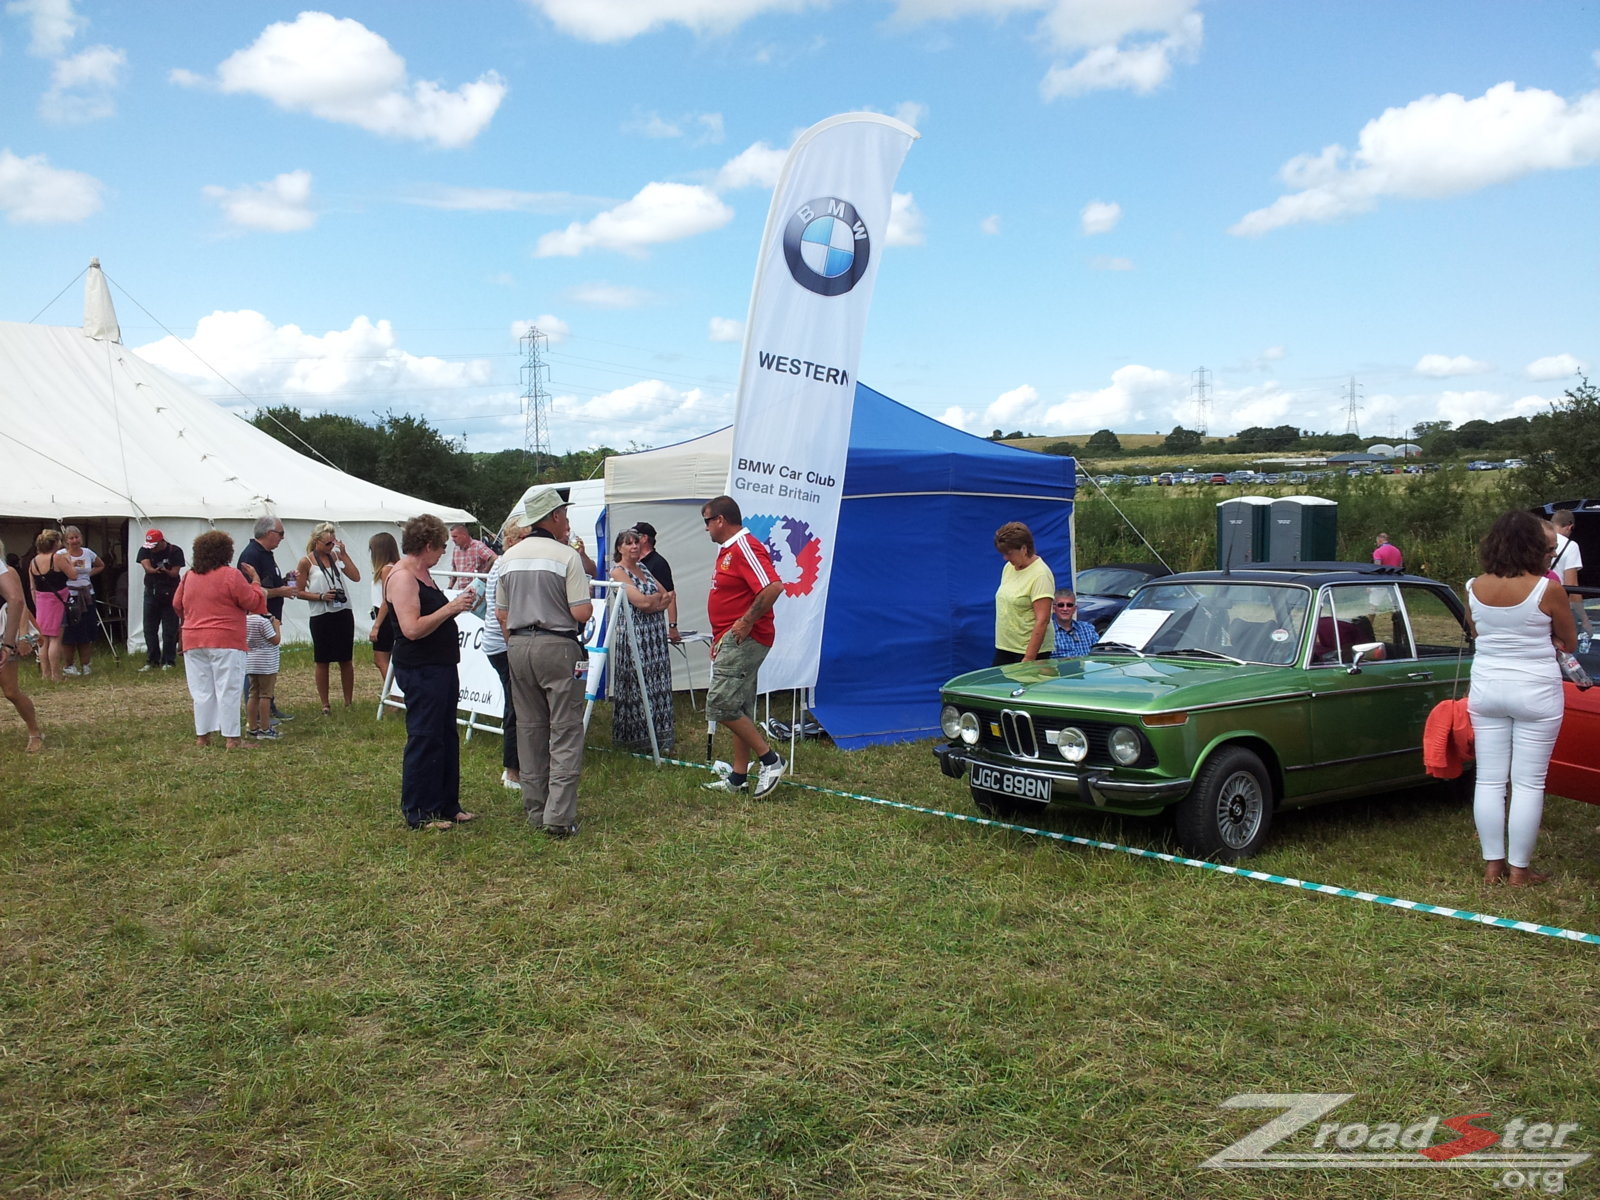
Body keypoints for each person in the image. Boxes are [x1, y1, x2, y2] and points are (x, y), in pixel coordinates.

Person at [1465, 510, 1576, 887]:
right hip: (1535, 690)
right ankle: (1520, 871)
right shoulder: (1549, 589)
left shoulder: (1473, 586)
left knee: (1490, 781)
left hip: (1486, 688)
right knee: (1528, 783)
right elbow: (1570, 641)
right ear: (1534, 546)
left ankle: (1492, 866)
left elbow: (1476, 632)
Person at [495, 487, 593, 836]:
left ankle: (535, 809)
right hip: (559, 645)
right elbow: (581, 610)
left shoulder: (509, 557)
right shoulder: (566, 556)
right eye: (564, 514)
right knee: (565, 730)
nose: (567, 520)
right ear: (553, 517)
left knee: (530, 729)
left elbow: (501, 612)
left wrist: (517, 642)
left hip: (519, 645)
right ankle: (559, 816)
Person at [388, 514, 478, 830]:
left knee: (444, 735)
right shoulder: (402, 577)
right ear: (427, 545)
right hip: (420, 668)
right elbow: (411, 628)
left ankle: (446, 804)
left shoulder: (422, 573)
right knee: (425, 736)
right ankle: (418, 811)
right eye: (441, 547)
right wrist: (451, 608)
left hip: (439, 666)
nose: (443, 553)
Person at [700, 495, 785, 797]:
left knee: (720, 704)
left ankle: (771, 760)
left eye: (707, 521)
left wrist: (746, 621)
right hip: (732, 638)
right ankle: (739, 777)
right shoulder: (729, 550)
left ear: (720, 520)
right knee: (739, 707)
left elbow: (773, 586)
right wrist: (721, 636)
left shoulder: (744, 546)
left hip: (746, 637)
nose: (706, 528)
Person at [172, 530, 268, 750]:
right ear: (226, 552)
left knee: (201, 690)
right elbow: (252, 602)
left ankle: (202, 737)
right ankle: (232, 739)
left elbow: (178, 605)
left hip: (193, 639)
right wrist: (255, 582)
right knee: (228, 689)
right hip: (226, 639)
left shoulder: (189, 576)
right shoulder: (230, 575)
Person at [609, 527, 675, 753]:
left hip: (655, 636)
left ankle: (660, 736)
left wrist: (652, 602)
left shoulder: (644, 568)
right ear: (620, 548)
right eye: (628, 543)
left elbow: (667, 595)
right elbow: (642, 603)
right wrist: (652, 603)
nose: (634, 546)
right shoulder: (617, 572)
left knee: (658, 682)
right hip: (634, 636)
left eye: (636, 542)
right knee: (638, 684)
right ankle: (636, 739)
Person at [238, 516, 301, 722]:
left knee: (268, 666)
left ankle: (268, 706)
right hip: (258, 619)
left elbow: (268, 584)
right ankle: (256, 713)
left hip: (270, 616)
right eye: (280, 534)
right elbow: (251, 591)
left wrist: (284, 582)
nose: (282, 538)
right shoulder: (251, 555)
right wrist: (279, 591)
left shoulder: (266, 554)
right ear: (268, 533)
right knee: (257, 667)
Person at [296, 522, 362, 714]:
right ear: (316, 542)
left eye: (332, 543)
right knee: (322, 659)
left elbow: (356, 577)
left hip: (342, 612)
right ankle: (325, 704)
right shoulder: (305, 562)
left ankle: (348, 702)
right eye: (327, 544)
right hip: (321, 614)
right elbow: (298, 591)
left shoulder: (335, 557)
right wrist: (321, 597)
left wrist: (343, 554)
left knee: (345, 659)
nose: (330, 547)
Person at [481, 518, 526, 791]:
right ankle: (512, 771)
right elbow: (502, 614)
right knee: (515, 707)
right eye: (522, 539)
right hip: (503, 645)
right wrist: (515, 647)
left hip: (502, 643)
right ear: (510, 541)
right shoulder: (506, 565)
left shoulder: (506, 563)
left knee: (518, 705)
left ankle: (517, 766)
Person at [0, 539, 44, 752]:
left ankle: (34, 731)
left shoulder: (7, 572)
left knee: (10, 691)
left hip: (3, 631)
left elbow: (20, 603)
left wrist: (24, 636)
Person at [992, 521, 1055, 665]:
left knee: (1025, 686)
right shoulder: (1009, 568)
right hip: (1005, 647)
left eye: (1009, 553)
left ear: (1024, 549)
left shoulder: (1041, 575)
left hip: (1029, 650)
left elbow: (1042, 620)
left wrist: (1029, 658)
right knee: (997, 685)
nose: (1005, 558)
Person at [26, 529, 78, 683]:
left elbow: (32, 586)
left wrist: (36, 603)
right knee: (55, 639)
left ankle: (45, 674)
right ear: (55, 543)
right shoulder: (57, 558)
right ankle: (56, 675)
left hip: (41, 601)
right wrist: (69, 561)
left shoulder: (33, 561)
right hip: (58, 601)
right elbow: (73, 575)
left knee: (44, 640)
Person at [136, 528, 184, 672]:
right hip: (151, 592)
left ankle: (169, 660)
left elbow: (175, 572)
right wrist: (152, 570)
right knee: (149, 628)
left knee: (169, 630)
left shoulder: (175, 551)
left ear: (162, 541)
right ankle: (152, 660)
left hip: (170, 593)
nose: (154, 549)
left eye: (155, 546)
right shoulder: (145, 550)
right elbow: (145, 565)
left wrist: (166, 571)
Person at [60, 525, 104, 676]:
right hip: (69, 595)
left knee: (86, 631)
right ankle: (69, 665)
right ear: (66, 541)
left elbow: (101, 565)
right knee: (70, 632)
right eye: (71, 538)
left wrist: (89, 574)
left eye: (76, 537)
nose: (74, 541)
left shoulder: (88, 552)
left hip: (86, 594)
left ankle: (86, 664)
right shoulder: (61, 554)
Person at [1550, 509, 1591, 654]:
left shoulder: (1534, 541)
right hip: (1557, 607)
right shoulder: (1571, 546)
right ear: (1570, 526)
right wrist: (1584, 620)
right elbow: (1572, 586)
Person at [633, 521, 681, 644]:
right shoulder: (634, 563)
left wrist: (672, 626)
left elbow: (670, 595)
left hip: (651, 625)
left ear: (644, 538)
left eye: (635, 536)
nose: (632, 541)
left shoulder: (658, 563)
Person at [367, 531, 401, 682]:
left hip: (385, 615)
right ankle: (394, 693)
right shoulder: (393, 567)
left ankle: (394, 694)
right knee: (386, 658)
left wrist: (376, 625)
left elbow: (387, 599)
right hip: (385, 613)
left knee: (381, 658)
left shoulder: (386, 569)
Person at [244, 611, 283, 740]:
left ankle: (252, 727)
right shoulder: (263, 622)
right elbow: (275, 640)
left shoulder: (244, 620)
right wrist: (276, 625)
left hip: (251, 662)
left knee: (253, 693)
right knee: (265, 695)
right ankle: (265, 728)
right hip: (266, 664)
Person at [447, 522, 497, 590]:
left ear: (464, 535)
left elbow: (494, 557)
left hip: (477, 590)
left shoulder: (478, 546)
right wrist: (449, 588)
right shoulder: (456, 549)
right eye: (452, 537)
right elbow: (455, 569)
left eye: (455, 536)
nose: (452, 539)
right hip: (461, 590)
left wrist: (483, 574)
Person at [1051, 587, 1098, 659]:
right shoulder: (1047, 633)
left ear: (1074, 609)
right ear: (1054, 609)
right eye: (1061, 605)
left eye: (1069, 605)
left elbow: (1098, 653)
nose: (1065, 609)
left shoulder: (1088, 629)